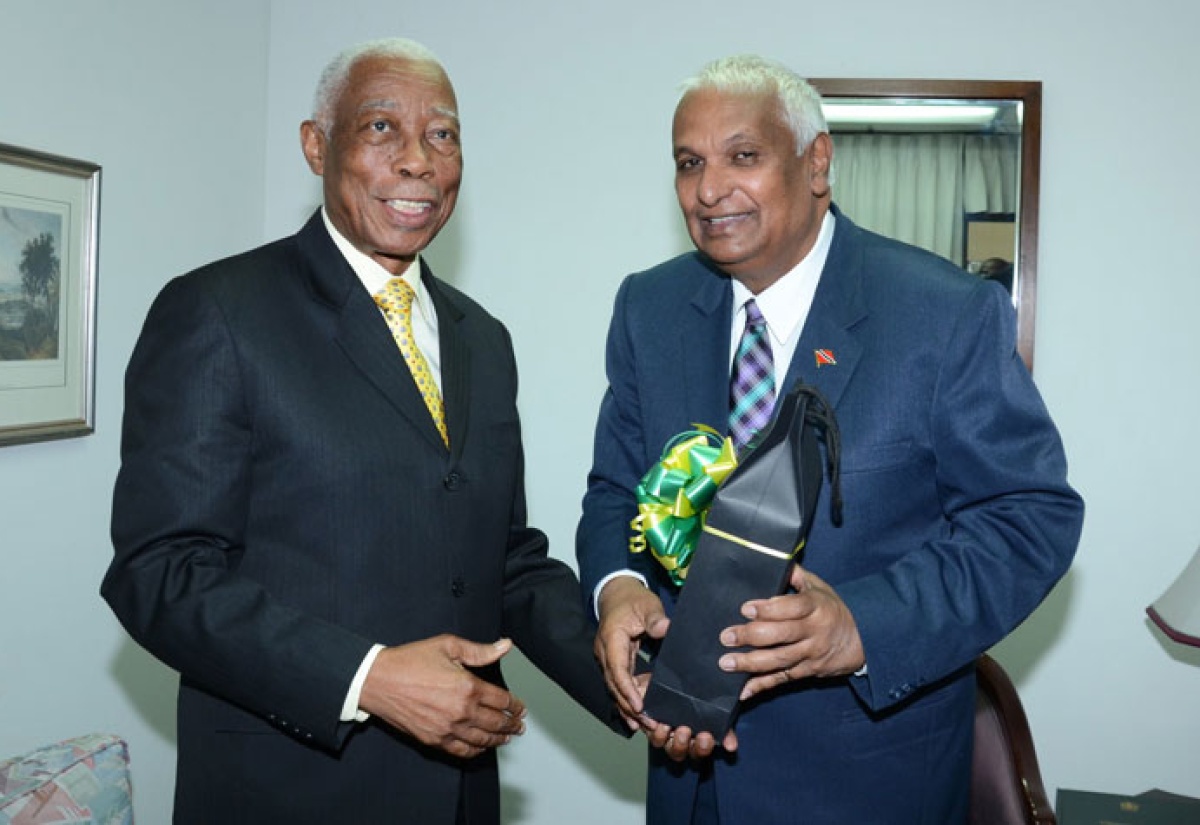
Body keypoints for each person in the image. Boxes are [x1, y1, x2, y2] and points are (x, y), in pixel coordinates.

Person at [102, 37, 622, 825]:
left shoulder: (482, 337)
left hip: (459, 796)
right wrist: (366, 676)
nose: (419, 160)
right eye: (382, 128)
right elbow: (159, 574)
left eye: (442, 134)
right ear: (318, 145)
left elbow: (503, 559)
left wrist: (629, 676)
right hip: (288, 794)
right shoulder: (218, 312)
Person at [576, 54, 1084, 825]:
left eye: (743, 156)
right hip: (688, 782)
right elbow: (615, 488)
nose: (710, 189)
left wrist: (861, 625)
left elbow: (1030, 517)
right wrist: (618, 589)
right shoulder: (649, 307)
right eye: (689, 163)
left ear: (817, 163)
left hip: (867, 786)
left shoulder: (942, 314)